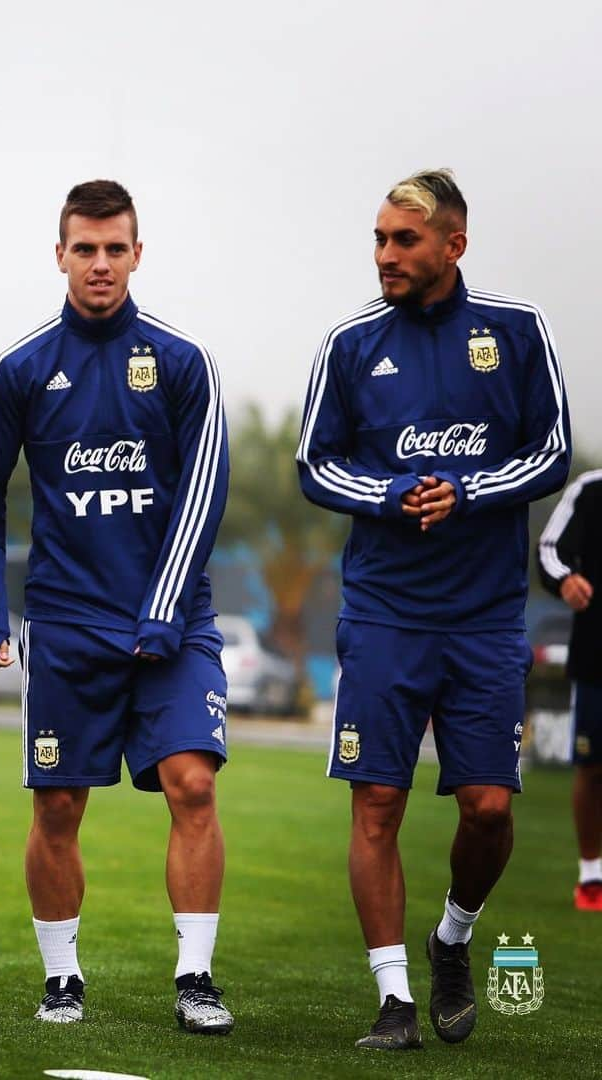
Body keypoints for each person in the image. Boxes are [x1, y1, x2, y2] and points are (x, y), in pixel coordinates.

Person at [298, 169, 570, 1049]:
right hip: (382, 613)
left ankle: (451, 938)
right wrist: (385, 495)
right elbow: (313, 464)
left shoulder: (518, 333)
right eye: (378, 238)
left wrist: (470, 489)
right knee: (377, 800)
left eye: (404, 240)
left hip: (487, 619)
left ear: (453, 244)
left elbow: (553, 450)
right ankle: (393, 1000)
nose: (386, 255)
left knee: (489, 808)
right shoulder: (348, 344)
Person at [0, 180, 233, 1033]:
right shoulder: (20, 367)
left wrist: (162, 606)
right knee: (57, 806)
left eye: (116, 248)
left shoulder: (182, 360)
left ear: (138, 255)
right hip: (67, 623)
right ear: (60, 255)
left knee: (192, 784)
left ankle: (195, 978)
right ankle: (62, 979)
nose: (100, 263)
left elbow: (205, 489)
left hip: (173, 623)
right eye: (85, 248)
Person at [538, 471, 602, 911]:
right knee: (593, 767)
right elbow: (548, 550)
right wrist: (565, 581)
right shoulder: (591, 489)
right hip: (597, 656)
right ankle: (591, 876)